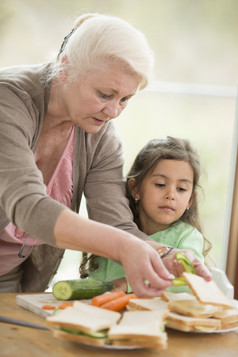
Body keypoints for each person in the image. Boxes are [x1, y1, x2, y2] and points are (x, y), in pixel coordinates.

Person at [0, 13, 211, 296]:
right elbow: (27, 205)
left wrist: (164, 254)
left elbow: (116, 221)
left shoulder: (101, 135)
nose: (114, 112)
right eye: (104, 94)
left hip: (9, 275)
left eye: (125, 99)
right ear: (65, 69)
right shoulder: (8, 101)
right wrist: (126, 248)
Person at [87, 136, 212, 292]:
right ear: (135, 189)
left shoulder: (187, 237)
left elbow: (187, 285)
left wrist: (127, 284)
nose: (171, 194)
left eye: (181, 189)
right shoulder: (116, 232)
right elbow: (97, 284)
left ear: (190, 200)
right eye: (160, 184)